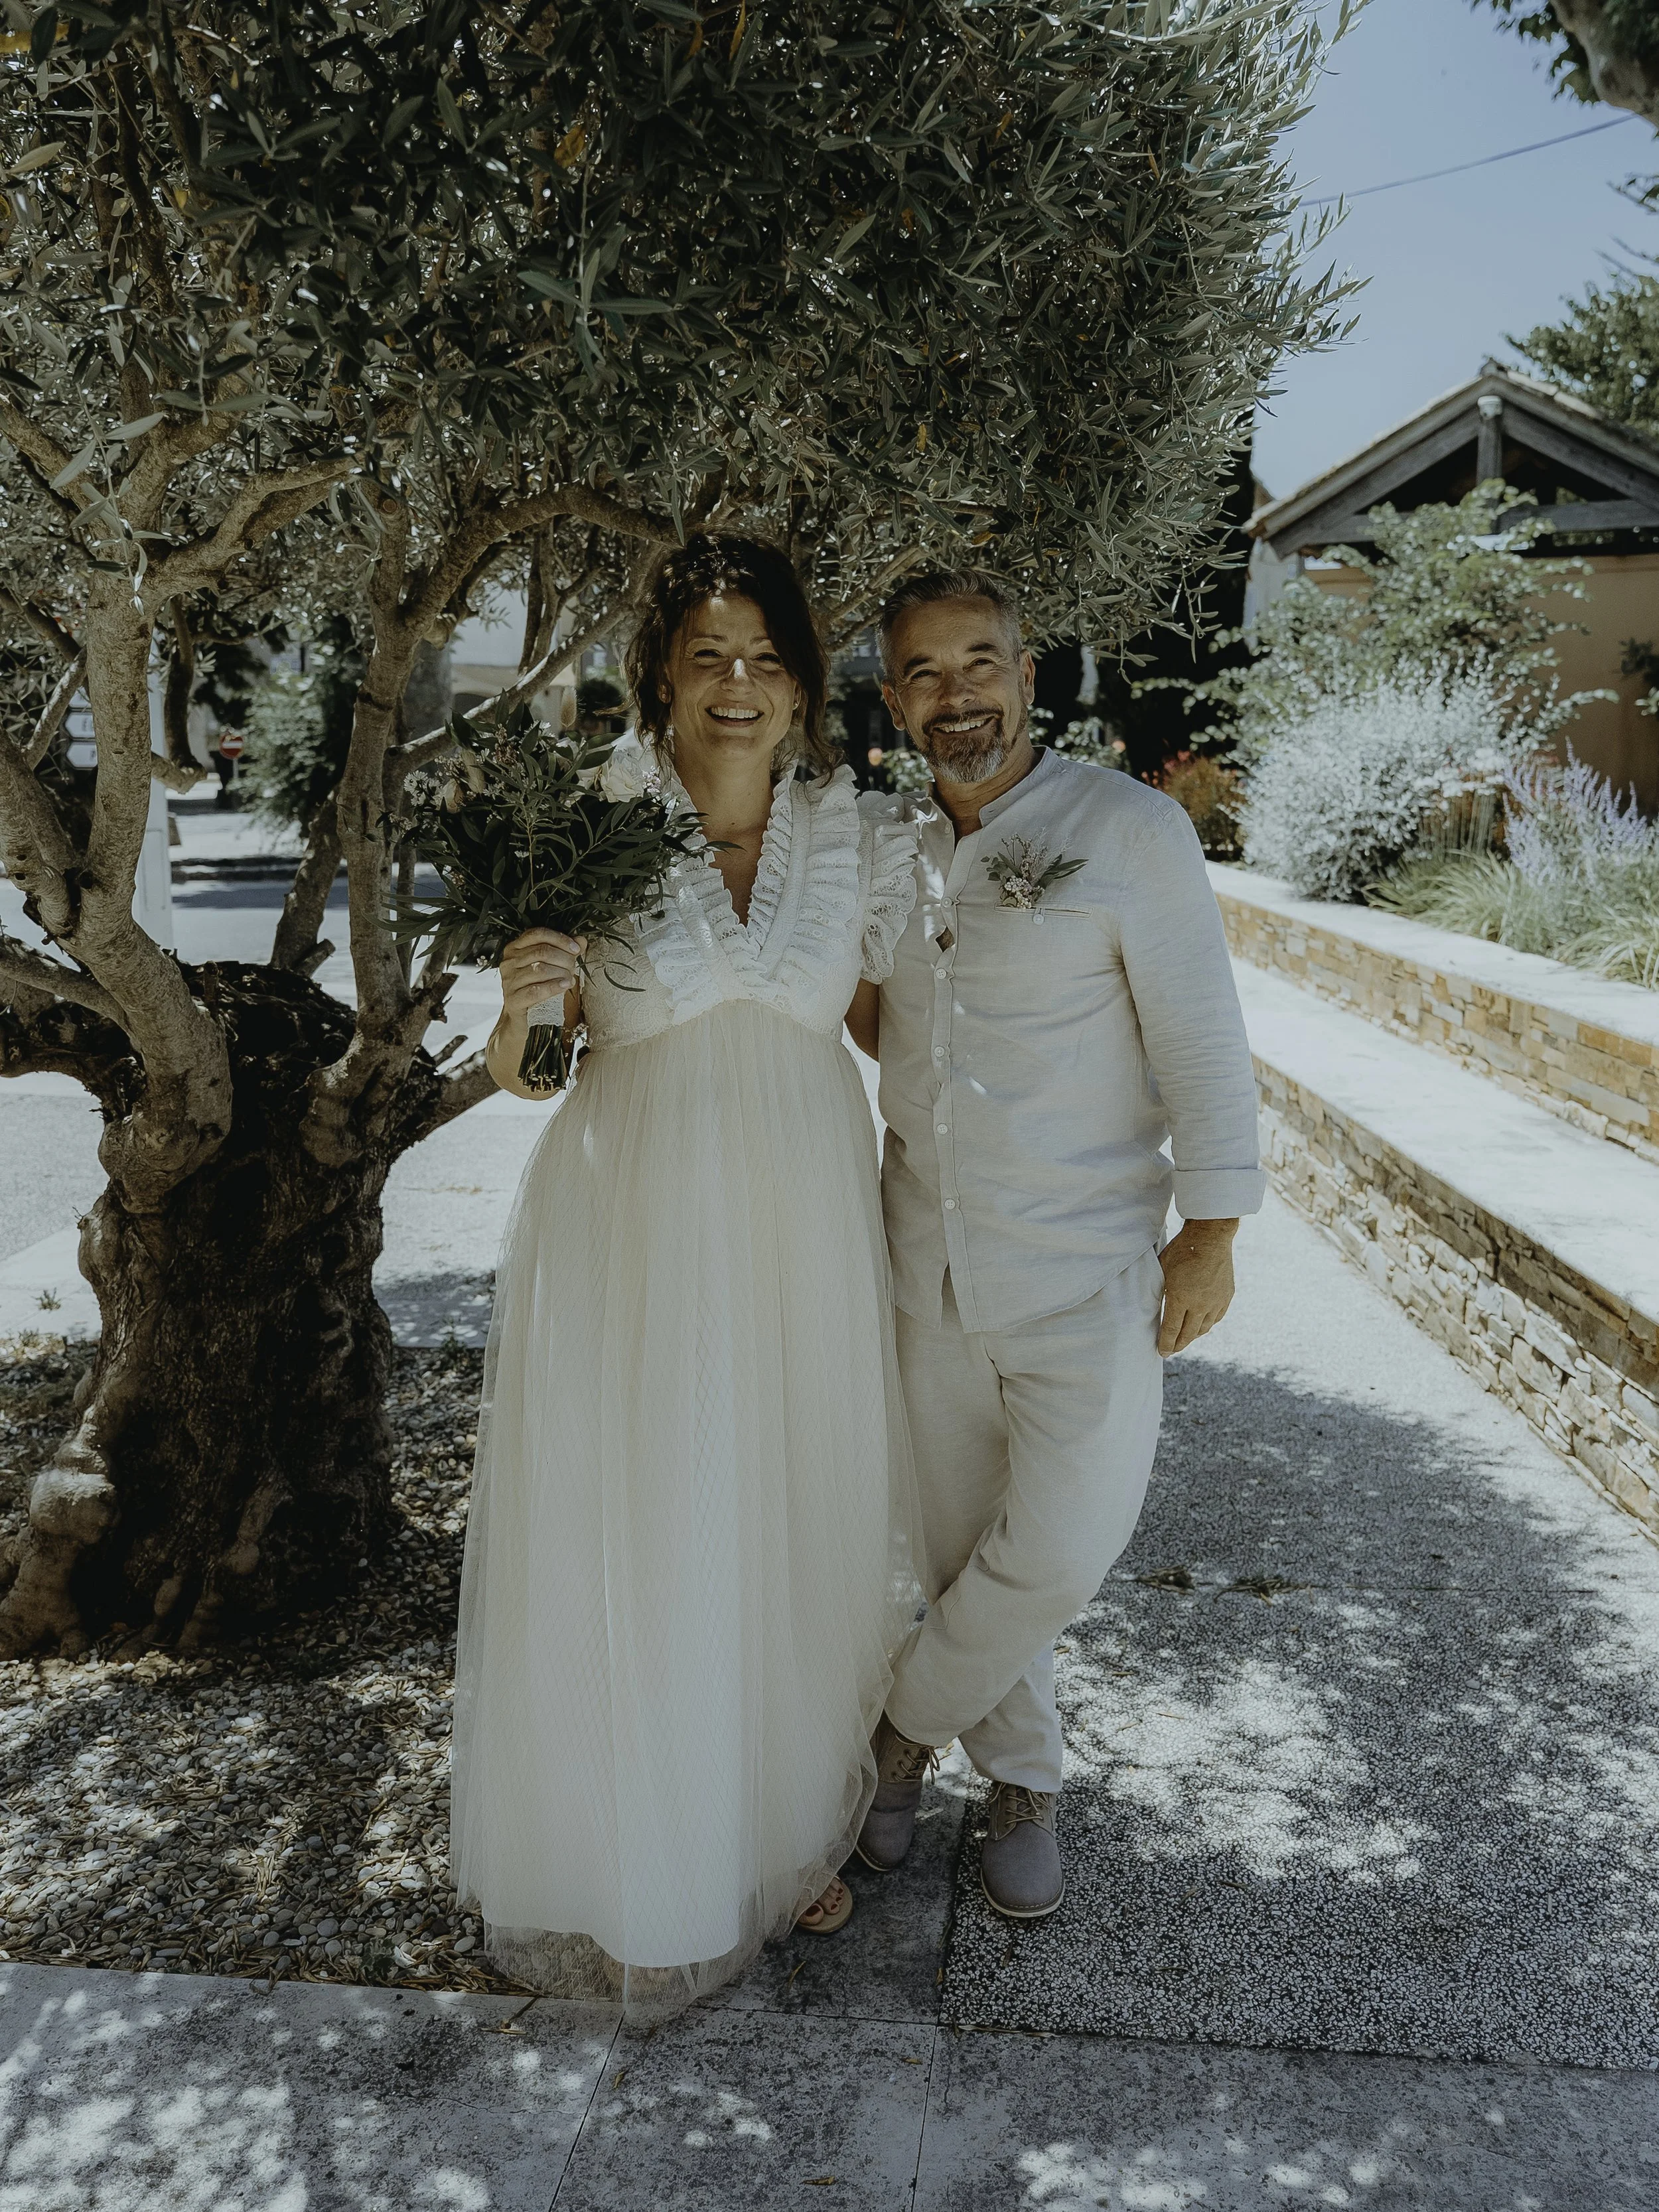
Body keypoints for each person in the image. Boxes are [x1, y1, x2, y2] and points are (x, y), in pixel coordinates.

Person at [449, 534, 925, 2017]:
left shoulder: (854, 832)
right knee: (651, 1524)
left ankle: (774, 1835)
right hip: (634, 1220)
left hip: (804, 1223)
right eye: (708, 654)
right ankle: (649, 1869)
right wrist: (522, 1008)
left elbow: (897, 1029)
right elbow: (532, 1073)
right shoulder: (588, 821)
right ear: (660, 669)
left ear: (804, 683)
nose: (738, 683)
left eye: (766, 658)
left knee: (788, 1516)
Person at [844, 568, 1263, 1919]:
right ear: (893, 697)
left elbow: (1201, 1035)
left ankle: (894, 1732)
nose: (955, 694)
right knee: (965, 1548)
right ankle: (1022, 1780)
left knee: (1065, 1545)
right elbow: (873, 1018)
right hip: (924, 1259)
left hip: (1085, 1266)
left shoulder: (1129, 829)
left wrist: (1211, 1231)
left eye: (980, 662)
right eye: (924, 671)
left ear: (1029, 676)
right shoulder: (884, 844)